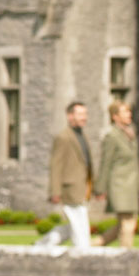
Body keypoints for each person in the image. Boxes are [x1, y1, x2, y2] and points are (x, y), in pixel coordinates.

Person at [38, 101, 94, 249]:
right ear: (70, 116)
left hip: (83, 187)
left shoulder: (82, 135)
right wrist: (55, 191)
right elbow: (56, 165)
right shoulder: (63, 137)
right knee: (79, 221)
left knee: (75, 223)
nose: (84, 117)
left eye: (85, 114)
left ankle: (43, 243)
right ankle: (82, 252)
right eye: (80, 114)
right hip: (70, 187)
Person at [98, 99, 139, 251]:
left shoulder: (130, 135)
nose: (129, 114)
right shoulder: (112, 136)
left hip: (131, 185)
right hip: (119, 185)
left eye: (129, 111)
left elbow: (135, 164)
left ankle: (89, 247)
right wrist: (100, 188)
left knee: (122, 226)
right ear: (115, 116)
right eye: (125, 112)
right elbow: (105, 163)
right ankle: (126, 256)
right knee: (128, 223)